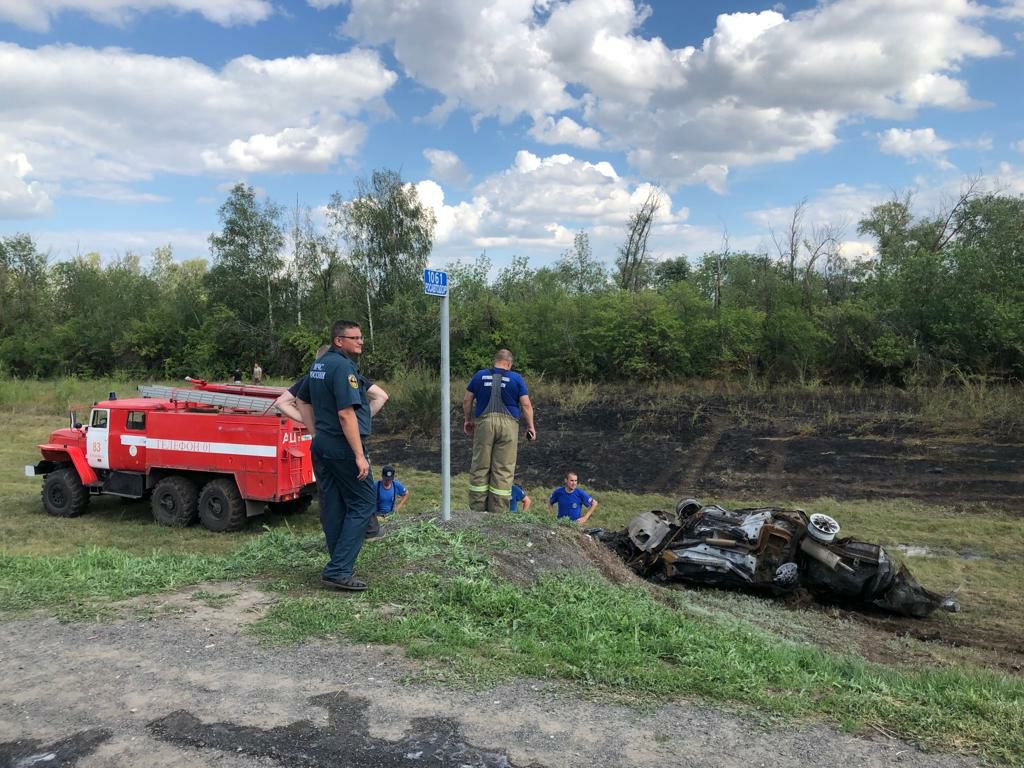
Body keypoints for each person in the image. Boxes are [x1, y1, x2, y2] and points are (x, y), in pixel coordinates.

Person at [293, 321, 375, 592]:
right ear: (339, 340)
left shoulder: (319, 365)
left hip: (322, 445)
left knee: (334, 503)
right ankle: (339, 569)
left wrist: (315, 431)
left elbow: (301, 400)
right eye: (355, 338)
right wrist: (359, 455)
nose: (360, 341)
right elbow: (346, 414)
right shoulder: (343, 367)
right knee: (363, 503)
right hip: (342, 446)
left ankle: (339, 563)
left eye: (361, 337)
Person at [463, 349, 536, 513]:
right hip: (509, 426)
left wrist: (468, 420)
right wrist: (530, 426)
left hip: (484, 424)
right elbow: (526, 405)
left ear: (496, 360)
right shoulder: (516, 378)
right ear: (509, 363)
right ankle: (498, 512)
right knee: (503, 469)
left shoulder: (479, 376)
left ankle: (477, 509)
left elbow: (467, 400)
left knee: (480, 466)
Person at [365, 465, 409, 541]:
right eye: (386, 479)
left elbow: (406, 493)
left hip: (391, 515)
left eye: (390, 480)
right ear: (382, 476)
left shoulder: (396, 485)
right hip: (377, 516)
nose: (388, 481)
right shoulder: (375, 485)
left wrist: (399, 506)